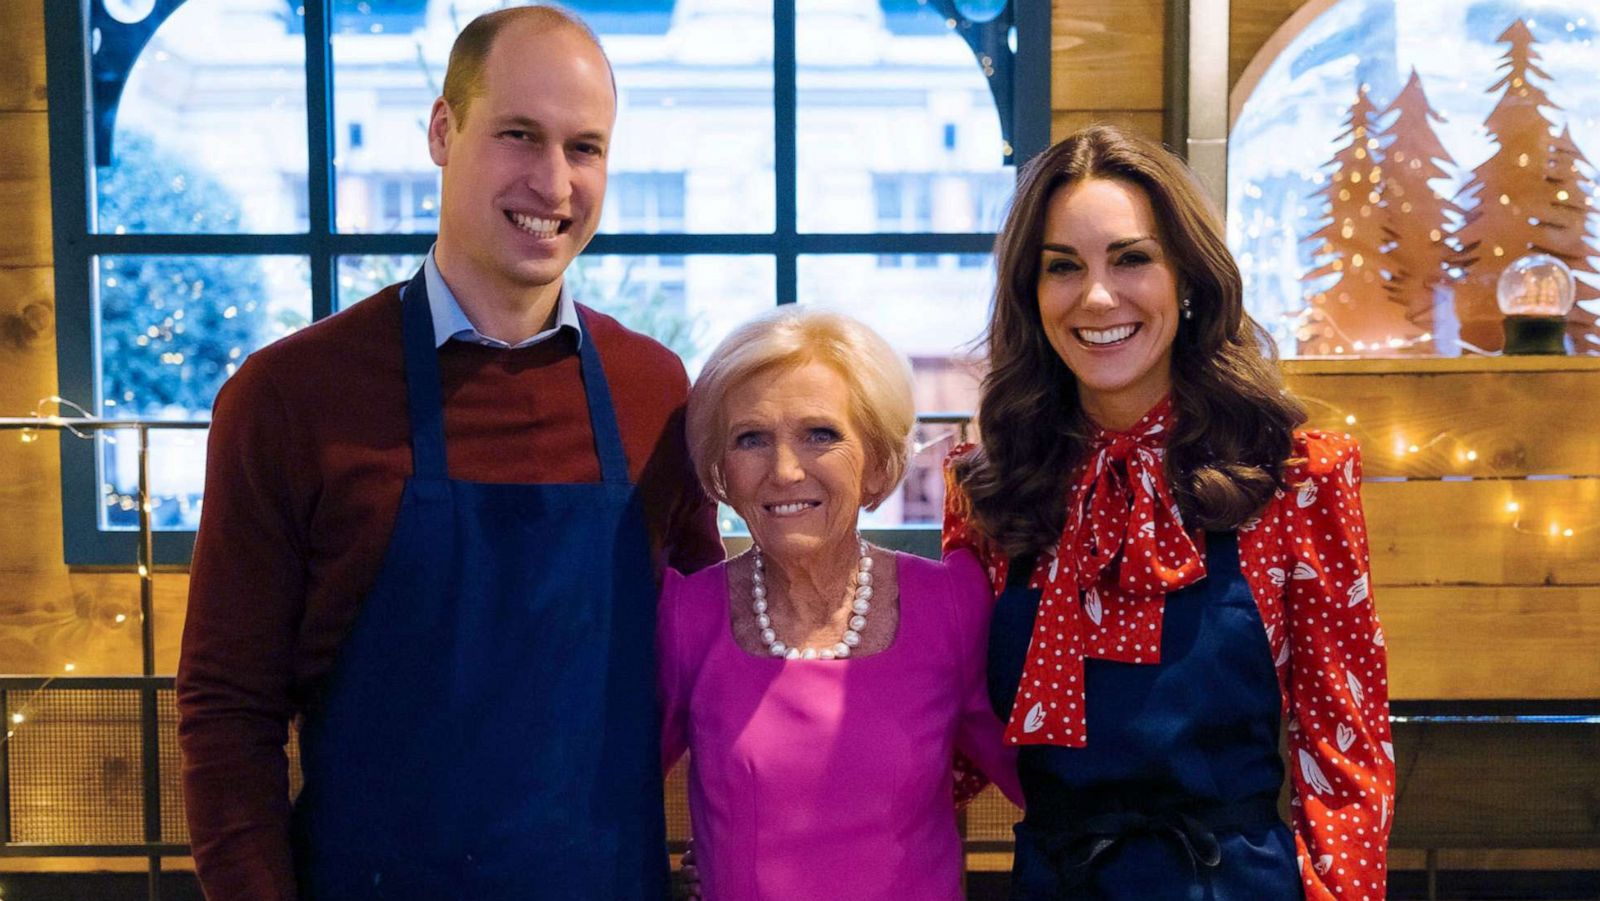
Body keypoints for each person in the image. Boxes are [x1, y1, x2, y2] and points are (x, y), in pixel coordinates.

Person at [176, 7, 722, 899]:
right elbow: (227, 711)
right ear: (442, 130)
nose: (552, 182)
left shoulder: (655, 390)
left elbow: (717, 662)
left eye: (585, 148)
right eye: (519, 135)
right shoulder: (288, 396)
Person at [943, 124, 1395, 900]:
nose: (1096, 296)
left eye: (1132, 258)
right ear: (1031, 292)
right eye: (1062, 268)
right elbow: (944, 735)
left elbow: (1343, 749)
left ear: (1187, 276)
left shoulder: (1295, 476)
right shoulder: (990, 487)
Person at [659, 309, 1022, 900]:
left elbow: (1048, 782)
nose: (783, 469)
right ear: (721, 471)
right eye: (751, 438)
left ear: (877, 463)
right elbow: (606, 803)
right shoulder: (684, 615)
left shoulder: (953, 603)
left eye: (820, 434)